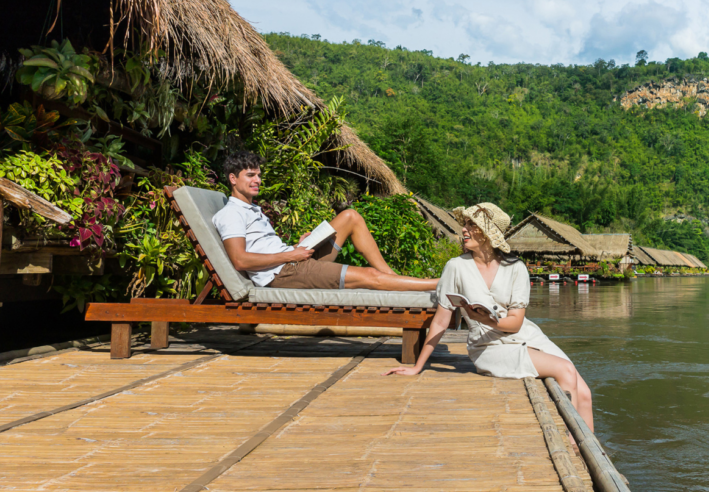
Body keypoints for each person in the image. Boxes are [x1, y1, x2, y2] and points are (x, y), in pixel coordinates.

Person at [382, 202, 594, 432]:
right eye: (464, 224)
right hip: (487, 345)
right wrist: (417, 366)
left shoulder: (516, 268)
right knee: (565, 370)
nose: (463, 229)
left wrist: (486, 318)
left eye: (471, 224)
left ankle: (593, 451)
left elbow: (515, 323)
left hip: (524, 333)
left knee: (584, 393)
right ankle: (573, 446)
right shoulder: (455, 267)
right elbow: (441, 321)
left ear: (486, 232)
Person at [212, 150, 437, 292]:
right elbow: (240, 261)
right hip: (283, 273)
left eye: (259, 175)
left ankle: (392, 277)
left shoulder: (252, 208)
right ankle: (437, 284)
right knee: (369, 276)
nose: (257, 180)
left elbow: (263, 247)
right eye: (250, 175)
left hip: (290, 260)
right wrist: (290, 255)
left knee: (350, 216)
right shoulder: (232, 213)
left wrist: (295, 247)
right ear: (233, 179)